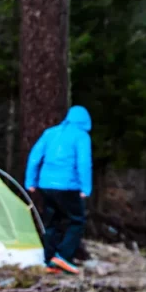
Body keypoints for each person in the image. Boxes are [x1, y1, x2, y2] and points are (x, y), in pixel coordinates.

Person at [25, 105, 92, 275]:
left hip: (46, 185)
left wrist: (30, 181)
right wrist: (86, 187)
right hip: (68, 186)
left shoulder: (50, 133)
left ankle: (49, 260)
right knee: (76, 221)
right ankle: (63, 257)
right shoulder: (81, 136)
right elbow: (83, 163)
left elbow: (34, 157)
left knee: (52, 221)